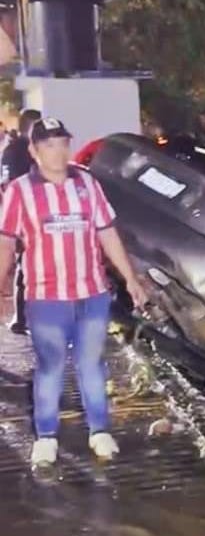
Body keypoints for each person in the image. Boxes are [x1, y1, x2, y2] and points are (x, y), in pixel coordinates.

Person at [0, 117, 148, 468]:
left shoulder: (87, 183)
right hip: (46, 298)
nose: (59, 151)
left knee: (91, 365)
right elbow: (6, 245)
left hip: (92, 294)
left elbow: (107, 233)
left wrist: (131, 279)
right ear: (34, 151)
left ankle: (99, 430)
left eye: (63, 143)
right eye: (49, 145)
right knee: (50, 367)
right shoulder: (19, 192)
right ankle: (46, 436)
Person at [1, 108, 42, 335]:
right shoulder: (21, 151)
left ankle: (23, 317)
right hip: (26, 215)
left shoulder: (12, 150)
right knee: (26, 265)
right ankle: (22, 318)